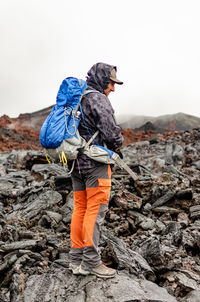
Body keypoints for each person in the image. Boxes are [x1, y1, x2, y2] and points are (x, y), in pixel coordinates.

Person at [69, 62, 124, 278]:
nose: (113, 88)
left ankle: (76, 260)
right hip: (96, 165)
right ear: (103, 80)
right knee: (95, 211)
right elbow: (111, 133)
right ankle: (91, 261)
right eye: (111, 83)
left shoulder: (80, 98)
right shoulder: (98, 99)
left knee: (80, 209)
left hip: (76, 164)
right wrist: (119, 144)